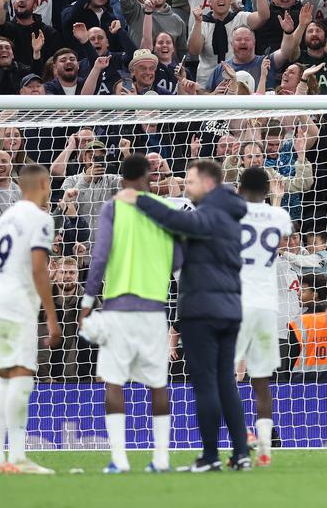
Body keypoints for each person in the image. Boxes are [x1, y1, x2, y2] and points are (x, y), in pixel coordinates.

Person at [117, 159, 251, 472]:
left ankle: (209, 457)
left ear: (207, 183)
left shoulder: (211, 212)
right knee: (225, 383)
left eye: (189, 183)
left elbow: (188, 225)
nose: (186, 189)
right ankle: (241, 452)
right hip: (229, 308)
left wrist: (141, 199)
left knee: (206, 383)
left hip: (203, 309)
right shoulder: (229, 209)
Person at [81, 154, 187, 474]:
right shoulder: (165, 209)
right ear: (149, 176)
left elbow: (99, 256)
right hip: (155, 309)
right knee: (158, 384)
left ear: (121, 179)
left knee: (114, 381)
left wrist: (87, 302)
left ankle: (120, 459)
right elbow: (178, 260)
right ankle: (161, 459)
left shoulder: (114, 206)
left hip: (117, 308)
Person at [0, 164, 60, 475]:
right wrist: (51, 319)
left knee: (4, 380)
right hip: (16, 305)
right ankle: (18, 457)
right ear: (42, 182)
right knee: (22, 379)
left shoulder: (2, 220)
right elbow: (39, 269)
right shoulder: (40, 218)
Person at [232, 166, 293, 468]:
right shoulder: (279, 217)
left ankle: (241, 435)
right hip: (268, 307)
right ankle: (265, 450)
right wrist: (277, 200)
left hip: (237, 303)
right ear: (268, 191)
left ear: (240, 188)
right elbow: (280, 236)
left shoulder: (233, 214)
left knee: (225, 374)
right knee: (261, 381)